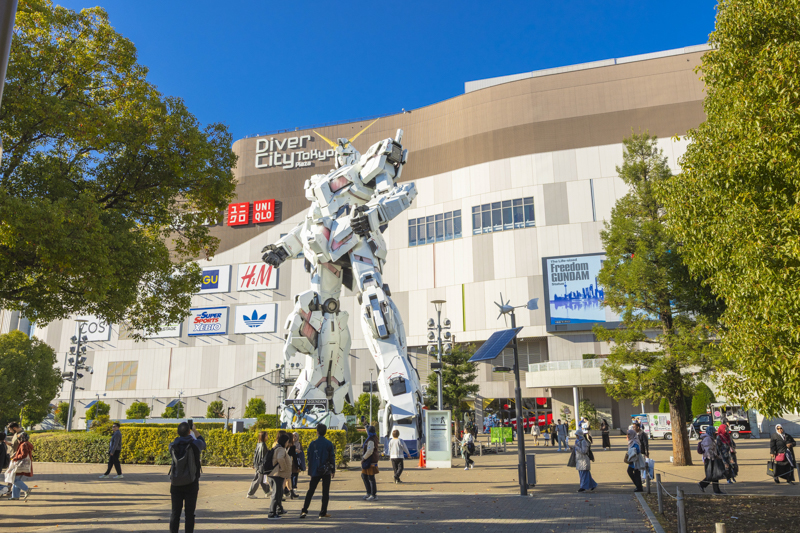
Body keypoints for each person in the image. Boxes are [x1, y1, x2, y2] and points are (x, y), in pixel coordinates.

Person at [168, 422, 206, 533]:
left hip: (175, 482)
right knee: (189, 514)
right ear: (189, 431)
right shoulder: (195, 444)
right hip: (191, 482)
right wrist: (195, 430)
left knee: (175, 513)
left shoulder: (172, 445)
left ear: (177, 432)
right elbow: (203, 443)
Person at [301, 423, 335, 519]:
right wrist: (333, 470)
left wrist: (311, 468)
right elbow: (332, 457)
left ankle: (304, 510)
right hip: (326, 470)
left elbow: (309, 457)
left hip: (315, 469)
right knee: (325, 492)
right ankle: (323, 512)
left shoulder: (313, 444)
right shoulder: (329, 443)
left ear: (318, 432)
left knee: (311, 490)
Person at [268, 434, 293, 520]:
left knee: (278, 493)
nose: (288, 444)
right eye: (287, 442)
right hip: (277, 474)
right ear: (285, 442)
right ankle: (272, 513)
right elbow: (280, 458)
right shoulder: (281, 449)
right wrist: (284, 468)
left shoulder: (276, 447)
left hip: (273, 474)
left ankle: (277, 510)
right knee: (276, 494)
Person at [5, 431, 33, 500]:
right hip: (23, 465)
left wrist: (15, 457)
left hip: (19, 464)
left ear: (21, 439)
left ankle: (26, 489)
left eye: (18, 439)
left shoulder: (23, 444)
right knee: (17, 480)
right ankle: (15, 496)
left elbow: (23, 455)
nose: (18, 440)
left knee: (14, 480)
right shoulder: (27, 444)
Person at [698, 426, 725, 494]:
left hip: (712, 458)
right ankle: (702, 484)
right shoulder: (708, 439)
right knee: (711, 474)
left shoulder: (710, 438)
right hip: (709, 458)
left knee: (715, 474)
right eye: (713, 432)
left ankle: (716, 490)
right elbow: (708, 450)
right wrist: (716, 455)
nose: (714, 433)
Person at [247, 431, 271, 499]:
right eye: (266, 435)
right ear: (263, 437)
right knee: (258, 479)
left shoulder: (259, 444)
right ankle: (250, 493)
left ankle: (267, 491)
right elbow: (263, 456)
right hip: (261, 465)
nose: (267, 437)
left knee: (262, 479)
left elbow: (256, 455)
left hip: (258, 464)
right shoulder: (263, 445)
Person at [574, 428, 597, 492]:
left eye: (577, 435)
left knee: (584, 474)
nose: (576, 437)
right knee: (585, 474)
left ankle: (583, 487)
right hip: (579, 460)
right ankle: (593, 485)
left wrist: (576, 447)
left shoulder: (584, 442)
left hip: (583, 460)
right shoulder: (578, 441)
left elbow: (584, 451)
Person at [361, 425, 379, 501]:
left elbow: (370, 451)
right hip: (369, 460)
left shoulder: (371, 439)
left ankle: (373, 494)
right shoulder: (372, 438)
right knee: (364, 476)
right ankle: (369, 493)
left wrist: (363, 458)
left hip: (370, 460)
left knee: (371, 477)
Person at [289, 432, 306, 499]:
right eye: (293, 436)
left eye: (296, 436)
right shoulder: (290, 444)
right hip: (291, 461)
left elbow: (301, 452)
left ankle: (294, 486)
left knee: (295, 474)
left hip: (296, 461)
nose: (294, 437)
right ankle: (290, 487)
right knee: (290, 475)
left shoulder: (299, 444)